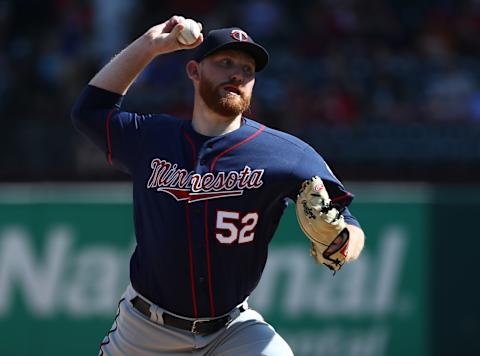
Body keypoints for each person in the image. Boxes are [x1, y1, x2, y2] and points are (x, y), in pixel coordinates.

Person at [71, 15, 365, 356]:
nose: (237, 74)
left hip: (231, 330)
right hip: (146, 331)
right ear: (193, 71)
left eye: (247, 69)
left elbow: (347, 219)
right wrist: (150, 46)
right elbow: (89, 111)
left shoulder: (285, 155)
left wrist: (342, 242)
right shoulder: (151, 138)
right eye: (225, 63)